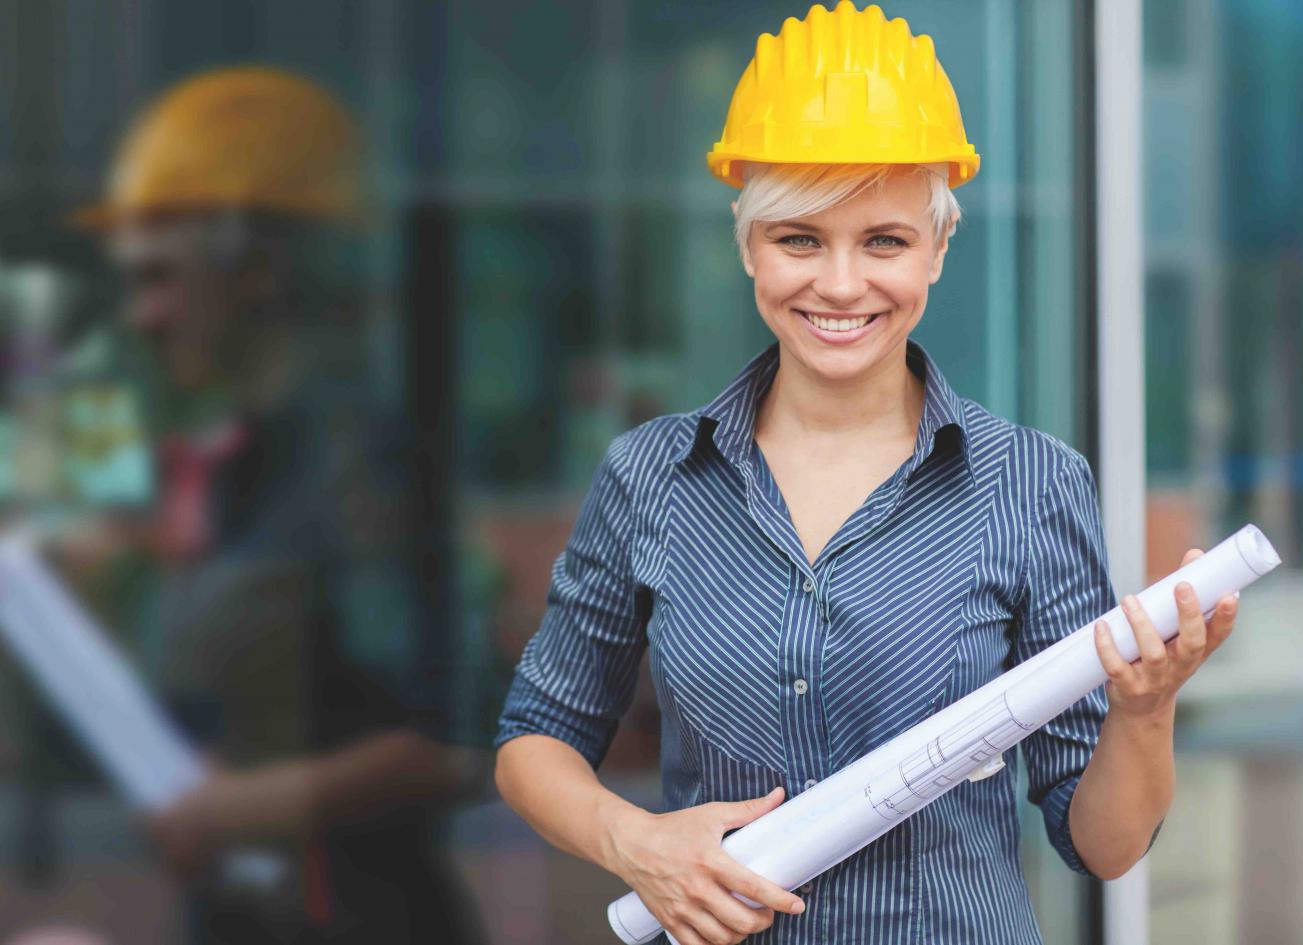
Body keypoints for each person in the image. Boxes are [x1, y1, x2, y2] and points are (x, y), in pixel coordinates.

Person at [493, 3, 1241, 944]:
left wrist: (1144, 711)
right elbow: (534, 739)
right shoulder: (652, 477)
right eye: (799, 239)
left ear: (937, 246)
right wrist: (635, 841)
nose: (841, 285)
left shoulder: (1031, 484)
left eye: (883, 241)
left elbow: (1104, 847)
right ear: (746, 242)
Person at [73, 67, 486, 944]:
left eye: (162, 278)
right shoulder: (246, 466)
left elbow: (451, 740)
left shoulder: (359, 469)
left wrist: (228, 807)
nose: (142, 315)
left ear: (257, 269)